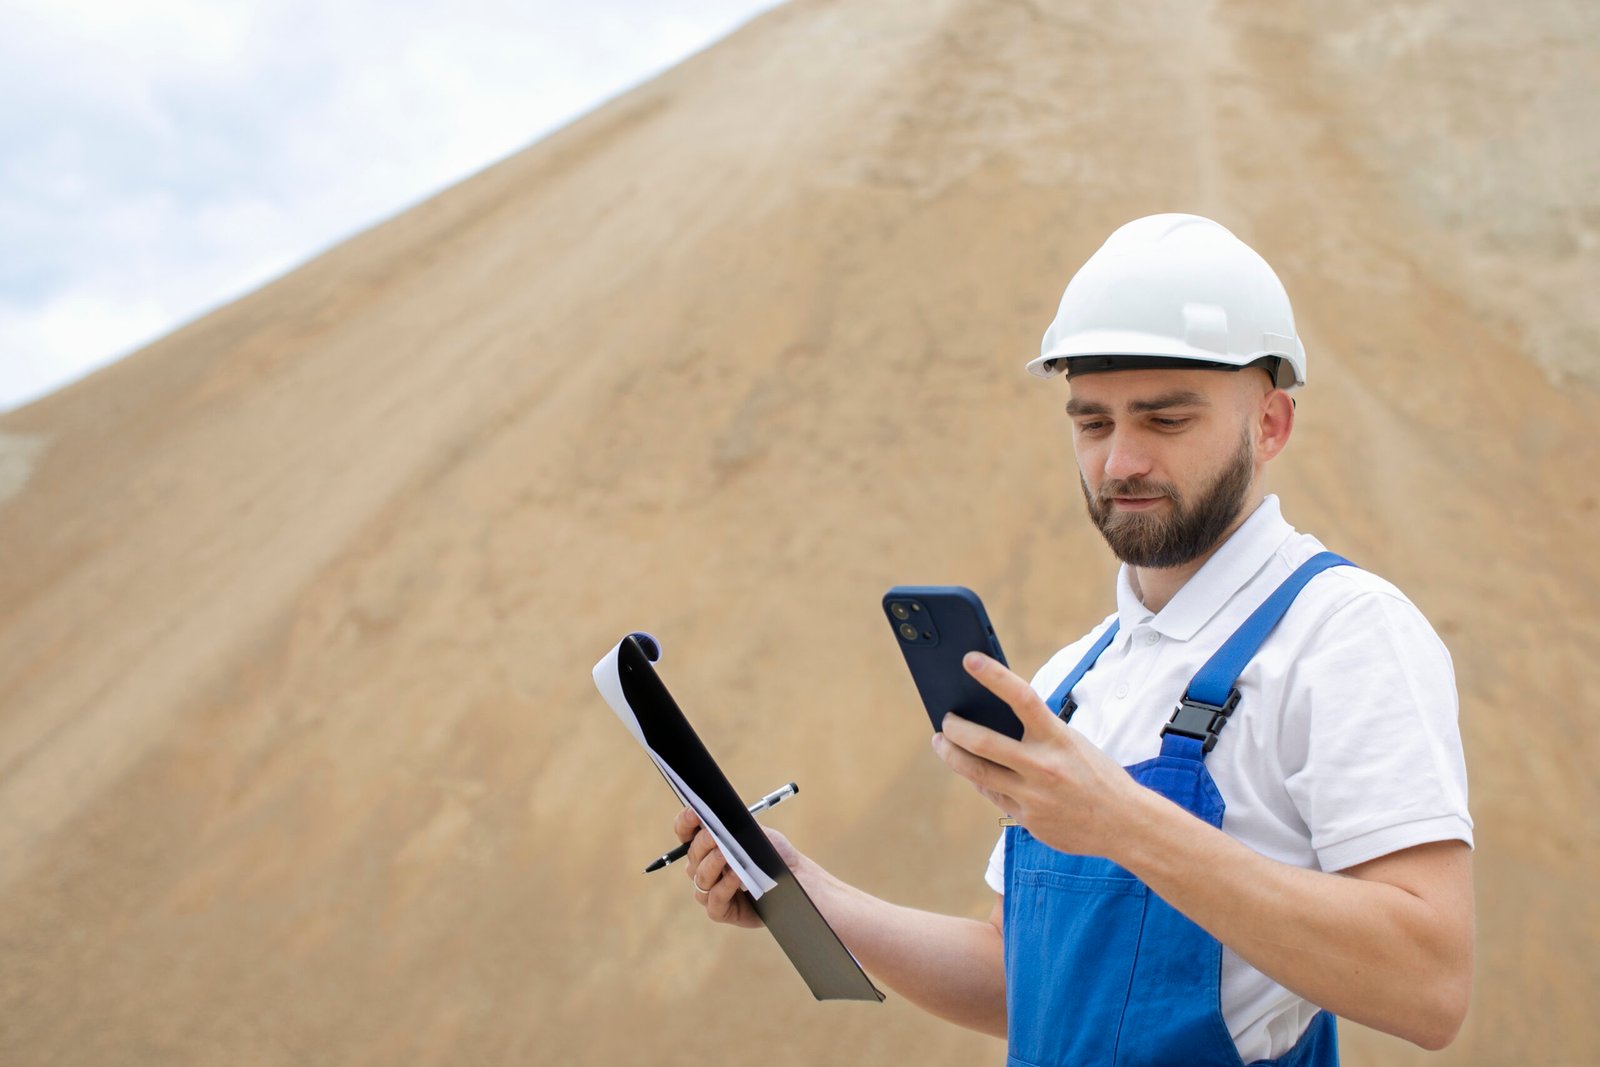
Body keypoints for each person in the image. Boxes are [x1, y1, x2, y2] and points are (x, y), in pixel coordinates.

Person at [674, 214, 1474, 1065]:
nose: (1120, 461)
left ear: (1270, 425)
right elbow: (1015, 977)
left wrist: (1122, 822)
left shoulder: (1345, 634)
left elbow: (1430, 985)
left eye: (1165, 421)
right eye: (1092, 423)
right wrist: (809, 893)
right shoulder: (1075, 681)